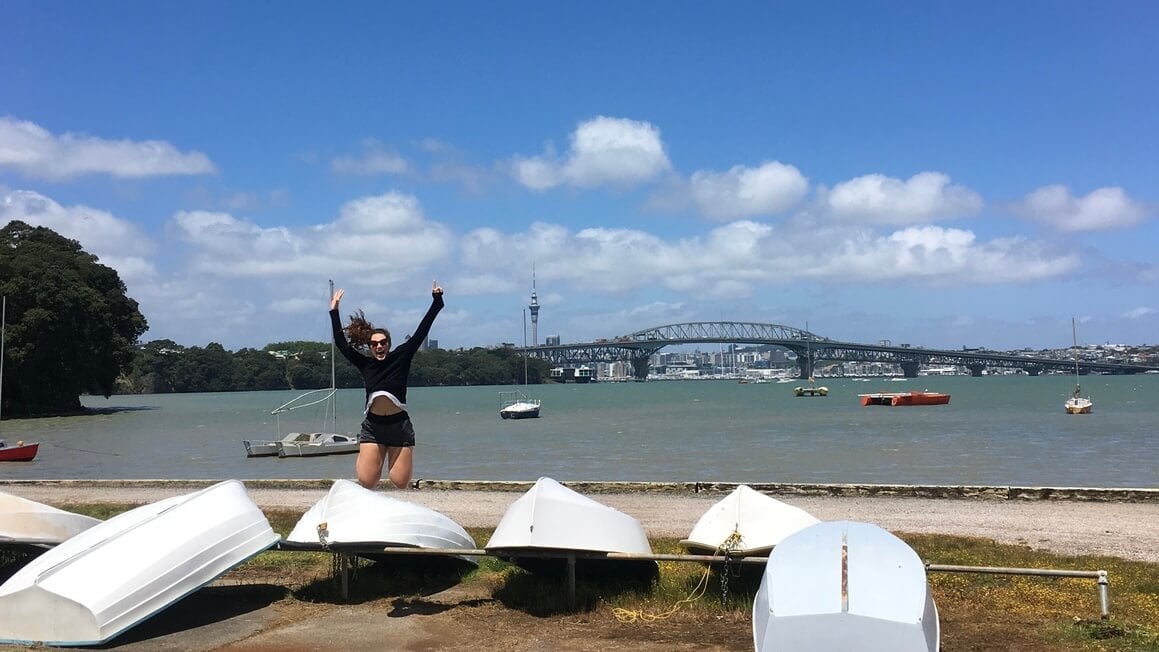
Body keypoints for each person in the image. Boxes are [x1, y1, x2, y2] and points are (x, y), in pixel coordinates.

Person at [330, 281, 443, 489]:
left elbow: (422, 330)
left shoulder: (401, 357)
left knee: (399, 481)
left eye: (383, 342)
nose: (379, 346)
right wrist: (334, 311)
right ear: (370, 347)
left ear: (389, 344)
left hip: (399, 426)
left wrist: (437, 302)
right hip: (373, 426)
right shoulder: (365, 364)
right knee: (367, 481)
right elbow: (340, 343)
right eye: (374, 344)